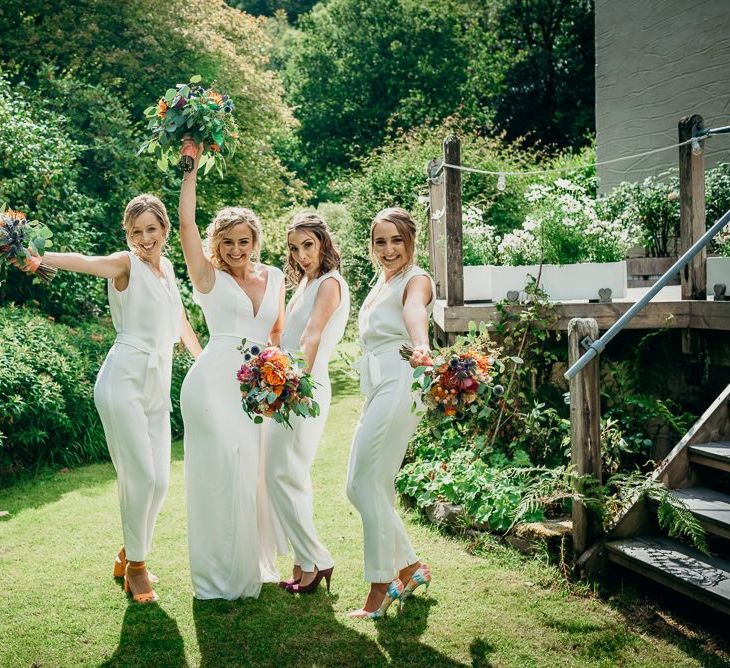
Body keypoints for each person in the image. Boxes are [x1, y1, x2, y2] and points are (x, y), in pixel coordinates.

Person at [20, 194, 201, 603]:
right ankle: (136, 567)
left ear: (165, 230)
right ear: (128, 234)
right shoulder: (126, 263)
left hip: (156, 385)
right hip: (122, 382)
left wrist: (207, 363)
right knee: (140, 477)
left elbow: (181, 322)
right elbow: (85, 261)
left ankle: (127, 554)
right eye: (136, 232)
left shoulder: (168, 269)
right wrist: (37, 253)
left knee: (160, 482)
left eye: (151, 229)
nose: (145, 238)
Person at [178, 141, 285, 600]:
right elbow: (185, 223)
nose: (237, 249)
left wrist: (279, 375)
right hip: (210, 384)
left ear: (255, 241)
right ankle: (216, 578)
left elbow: (276, 332)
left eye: (244, 241)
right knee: (219, 472)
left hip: (253, 389)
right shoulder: (207, 277)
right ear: (216, 244)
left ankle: (245, 568)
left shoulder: (275, 277)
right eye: (227, 241)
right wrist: (191, 168)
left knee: (248, 474)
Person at [346, 207, 435, 618]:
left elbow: (414, 310)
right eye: (380, 241)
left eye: (396, 240)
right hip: (377, 384)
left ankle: (381, 586)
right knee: (361, 485)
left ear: (411, 241)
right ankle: (412, 567)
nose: (388, 249)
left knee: (367, 483)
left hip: (402, 378)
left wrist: (421, 344)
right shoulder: (381, 282)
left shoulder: (416, 279)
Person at [266, 212, 350, 595]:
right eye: (295, 248)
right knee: (287, 475)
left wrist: (296, 385)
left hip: (305, 387)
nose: (302, 255)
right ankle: (304, 561)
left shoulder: (329, 284)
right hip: (291, 385)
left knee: (283, 474)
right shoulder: (306, 283)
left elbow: (312, 337)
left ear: (323, 243)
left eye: (308, 245)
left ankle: (317, 559)